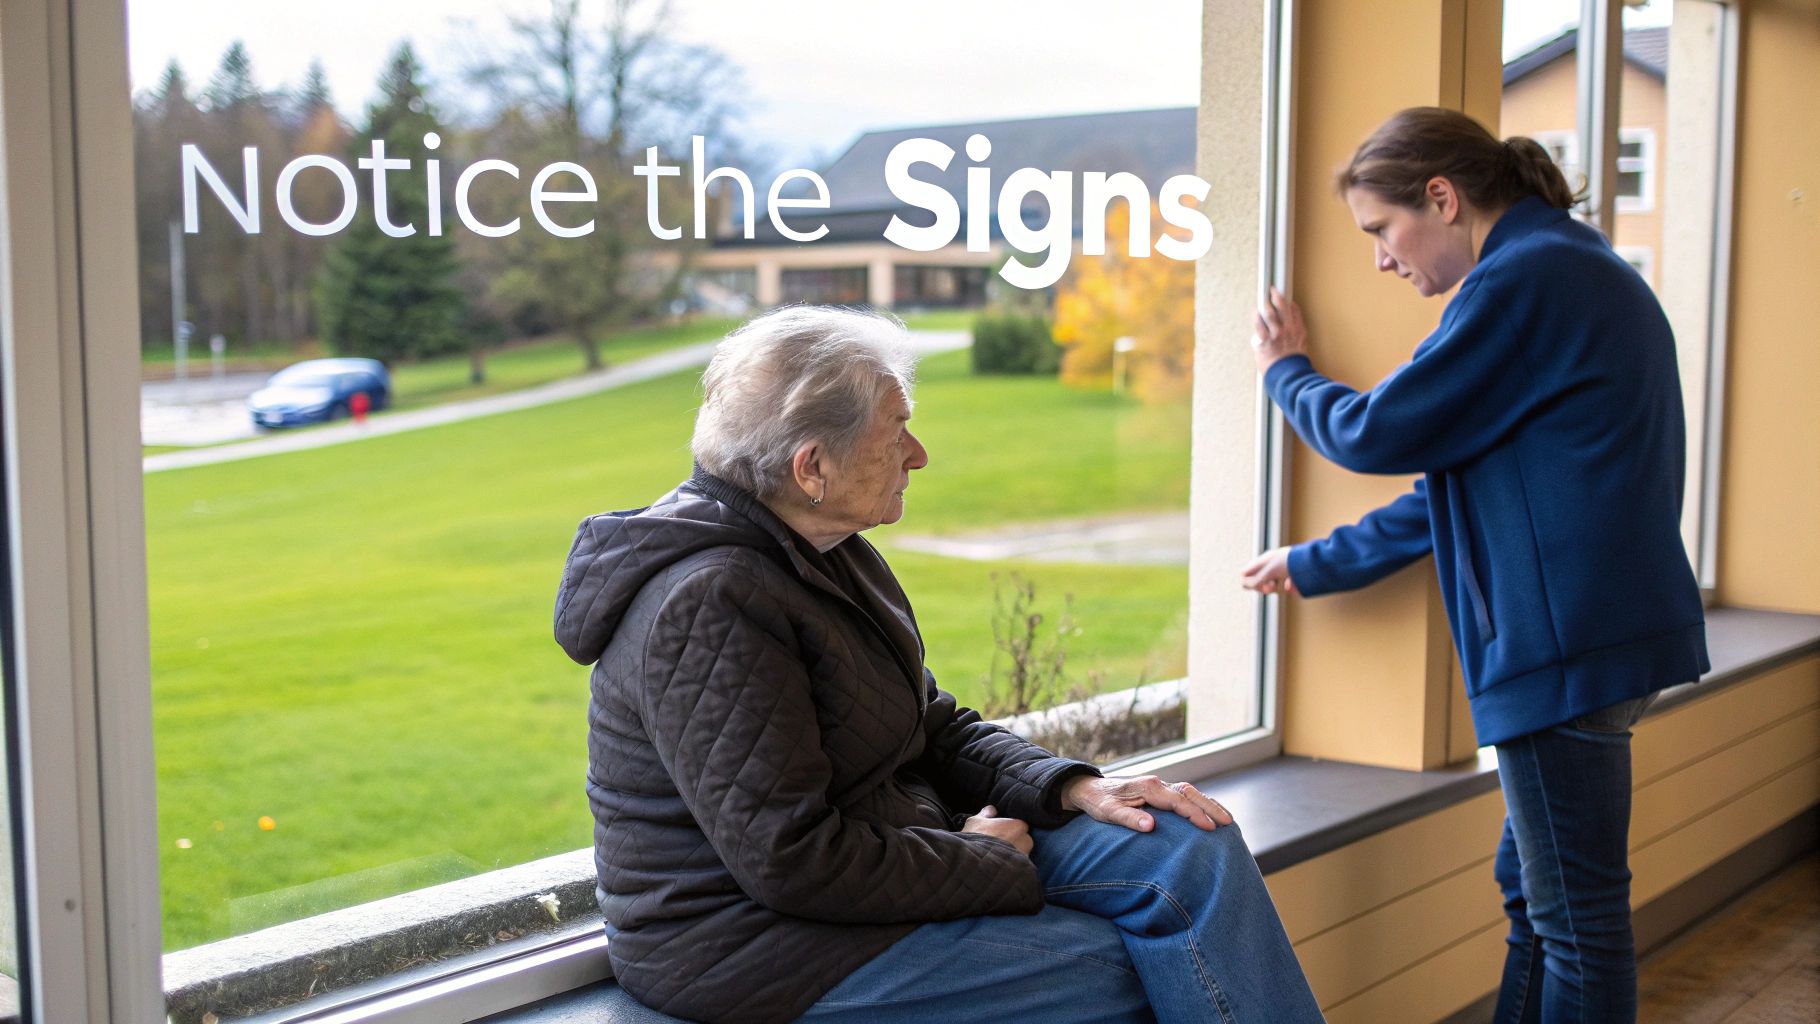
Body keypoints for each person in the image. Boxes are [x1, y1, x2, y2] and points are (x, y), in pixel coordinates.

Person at [556, 306, 1324, 1024]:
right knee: (1117, 968)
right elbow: (790, 860)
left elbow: (931, 726)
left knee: (1192, 846)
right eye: (898, 431)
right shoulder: (708, 604)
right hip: (754, 942)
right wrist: (978, 861)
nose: (918, 456)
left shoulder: (830, 552)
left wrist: (1074, 784)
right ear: (812, 465)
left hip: (903, 847)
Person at [1242, 107, 1709, 1024]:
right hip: (1599, 637)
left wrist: (1285, 371)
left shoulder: (1522, 284)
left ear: (1443, 199)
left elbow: (1376, 431)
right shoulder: (1573, 267)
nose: (1381, 258)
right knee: (1539, 903)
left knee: (1574, 923)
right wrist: (1317, 562)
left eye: (1381, 229)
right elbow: (1452, 489)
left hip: (1563, 649)